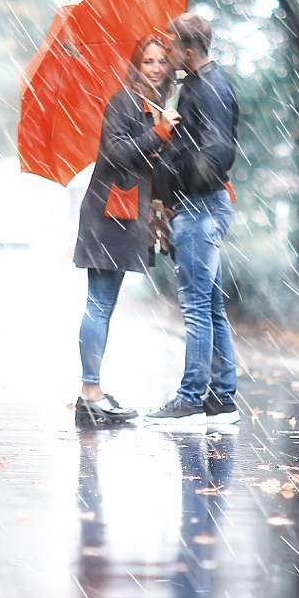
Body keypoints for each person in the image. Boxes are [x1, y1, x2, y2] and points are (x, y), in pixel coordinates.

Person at [71, 35, 179, 428]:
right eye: (148, 61)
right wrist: (160, 133)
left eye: (161, 62)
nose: (155, 68)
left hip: (122, 218)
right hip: (107, 217)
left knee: (104, 304)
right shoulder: (124, 101)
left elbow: (147, 161)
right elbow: (116, 153)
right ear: (137, 66)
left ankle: (92, 392)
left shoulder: (152, 107)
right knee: (99, 303)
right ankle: (90, 393)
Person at [147, 13, 240, 428]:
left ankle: (191, 398)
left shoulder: (210, 90)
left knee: (198, 307)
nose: (167, 56)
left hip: (201, 208)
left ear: (188, 51)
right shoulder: (197, 88)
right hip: (198, 206)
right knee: (212, 306)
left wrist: (179, 175)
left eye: (171, 49)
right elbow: (198, 147)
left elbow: (218, 155)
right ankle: (222, 399)